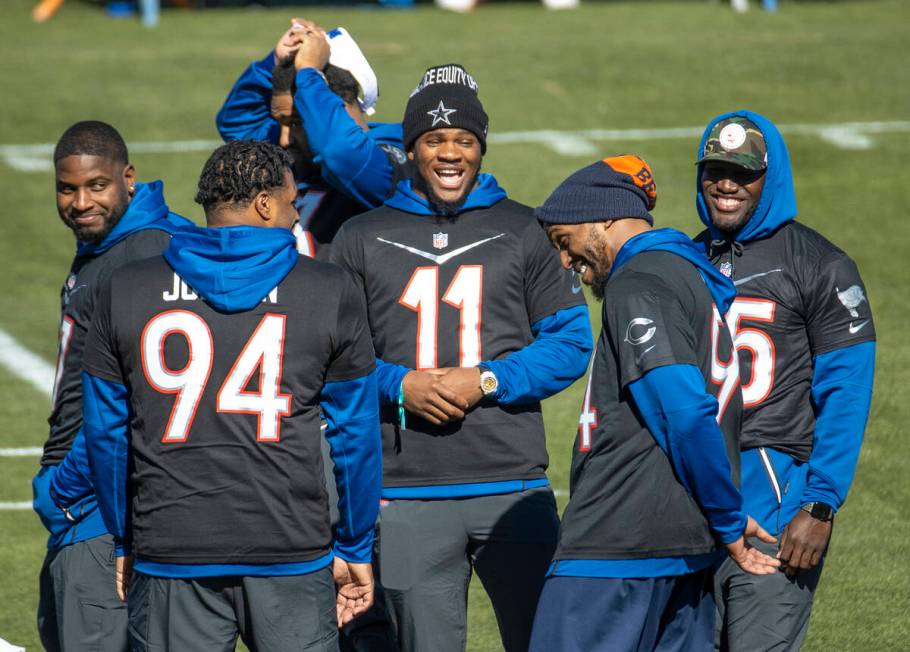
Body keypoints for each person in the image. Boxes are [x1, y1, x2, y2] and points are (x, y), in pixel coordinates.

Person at [72, 140, 382, 651]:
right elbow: (355, 436)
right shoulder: (329, 289)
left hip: (169, 545)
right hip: (290, 547)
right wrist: (354, 543)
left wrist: (125, 536)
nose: (295, 219)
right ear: (264, 204)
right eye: (290, 205)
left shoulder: (125, 286)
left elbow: (106, 433)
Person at [331, 63, 593, 652]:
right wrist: (400, 386)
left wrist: (488, 379)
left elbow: (573, 342)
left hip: (514, 487)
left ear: (481, 146)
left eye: (464, 140)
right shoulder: (360, 236)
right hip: (406, 494)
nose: (450, 153)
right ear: (411, 147)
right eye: (434, 139)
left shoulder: (525, 228)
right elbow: (330, 363)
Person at [529, 155, 781, 651]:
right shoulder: (687, 276)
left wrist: (727, 518)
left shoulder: (638, 283)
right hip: (681, 543)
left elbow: (685, 413)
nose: (564, 261)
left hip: (618, 546)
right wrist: (720, 508)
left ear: (603, 217)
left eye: (565, 241)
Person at [694, 111, 876, 651]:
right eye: (715, 169)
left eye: (743, 172)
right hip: (691, 507)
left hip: (774, 512)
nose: (727, 184)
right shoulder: (681, 258)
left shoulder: (822, 265)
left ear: (770, 177)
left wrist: (819, 506)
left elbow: (847, 391)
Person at [31, 120, 191, 652]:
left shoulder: (141, 256)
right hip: (99, 502)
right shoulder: (125, 243)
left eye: (96, 186)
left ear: (127, 178)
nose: (80, 202)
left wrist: (64, 488)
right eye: (68, 188)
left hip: (102, 506)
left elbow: (134, 399)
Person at [216, 19, 409, 260]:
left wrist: (309, 73)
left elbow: (339, 153)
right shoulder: (300, 148)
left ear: (335, 109)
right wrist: (275, 63)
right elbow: (237, 122)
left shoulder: (387, 157)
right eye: (281, 122)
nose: (284, 140)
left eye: (296, 122)